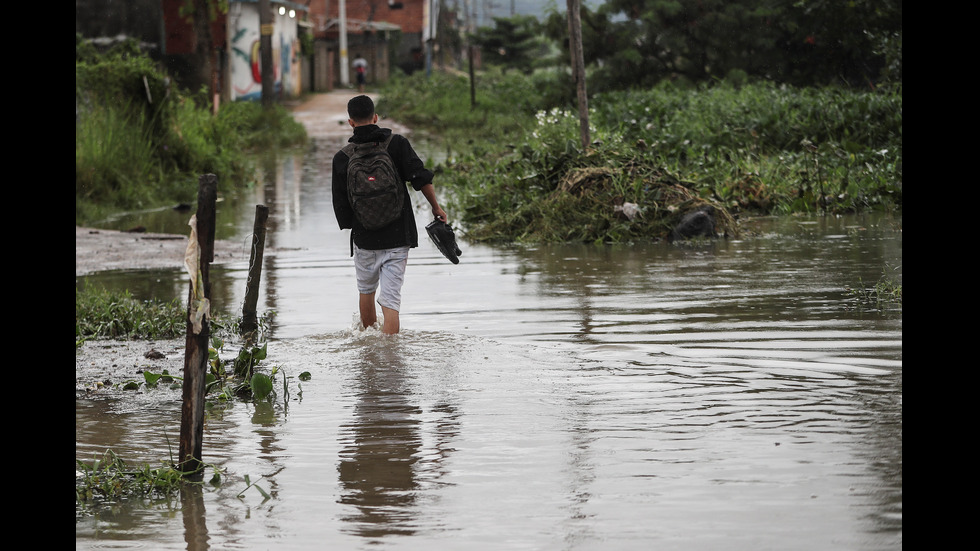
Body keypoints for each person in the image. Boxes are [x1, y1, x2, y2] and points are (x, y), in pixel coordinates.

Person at [332, 95, 447, 335]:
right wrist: (436, 208)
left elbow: (341, 209)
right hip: (398, 235)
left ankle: (371, 353)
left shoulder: (342, 158)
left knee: (366, 291)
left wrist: (358, 224)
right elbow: (420, 178)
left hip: (364, 237)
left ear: (351, 122)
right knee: (391, 301)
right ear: (375, 118)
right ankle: (390, 358)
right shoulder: (397, 144)